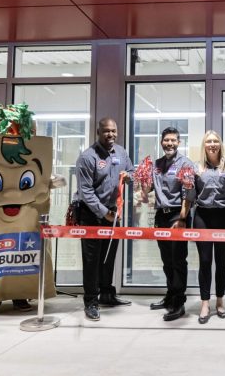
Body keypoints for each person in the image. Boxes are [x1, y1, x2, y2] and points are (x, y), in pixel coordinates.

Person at [76, 117, 134, 321]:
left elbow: (132, 171)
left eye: (114, 131)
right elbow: (85, 192)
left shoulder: (121, 152)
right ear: (98, 132)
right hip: (91, 214)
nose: (111, 134)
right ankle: (91, 300)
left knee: (109, 256)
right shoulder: (87, 157)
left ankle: (107, 294)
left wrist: (129, 177)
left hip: (113, 213)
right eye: (107, 131)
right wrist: (104, 213)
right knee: (92, 260)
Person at [141, 127, 196, 322]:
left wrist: (182, 218)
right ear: (162, 142)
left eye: (173, 140)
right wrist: (143, 179)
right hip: (160, 216)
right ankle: (170, 295)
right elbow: (147, 189)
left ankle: (179, 302)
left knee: (178, 260)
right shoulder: (156, 165)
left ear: (179, 142)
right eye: (166, 140)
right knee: (167, 260)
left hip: (176, 216)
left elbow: (188, 193)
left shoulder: (185, 164)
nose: (169, 143)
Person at [193, 130, 225, 324]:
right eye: (209, 141)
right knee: (205, 261)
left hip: (224, 216)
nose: (212, 144)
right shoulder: (196, 168)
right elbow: (191, 194)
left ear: (220, 144)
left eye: (215, 141)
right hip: (203, 216)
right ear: (204, 145)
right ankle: (204, 303)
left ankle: (219, 301)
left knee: (221, 261)